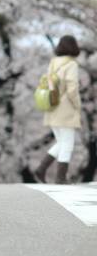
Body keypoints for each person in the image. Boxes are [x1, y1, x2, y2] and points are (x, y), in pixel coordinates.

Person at [33, 35, 82, 184]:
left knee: (61, 142)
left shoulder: (53, 62)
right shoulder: (71, 64)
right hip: (66, 108)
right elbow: (72, 88)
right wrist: (77, 105)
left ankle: (41, 169)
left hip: (52, 106)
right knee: (67, 143)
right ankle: (60, 178)